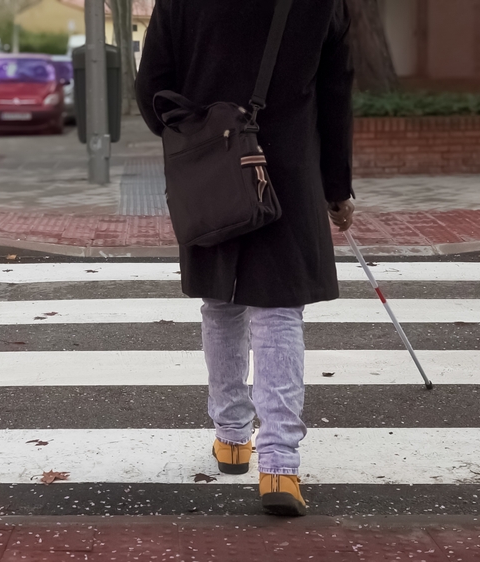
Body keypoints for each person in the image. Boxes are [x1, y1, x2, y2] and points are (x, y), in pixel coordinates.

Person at [135, 0, 355, 517]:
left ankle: (232, 438)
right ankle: (279, 464)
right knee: (279, 310)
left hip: (211, 164)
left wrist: (191, 134)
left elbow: (152, 88)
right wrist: (336, 186)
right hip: (289, 168)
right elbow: (335, 93)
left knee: (221, 301)